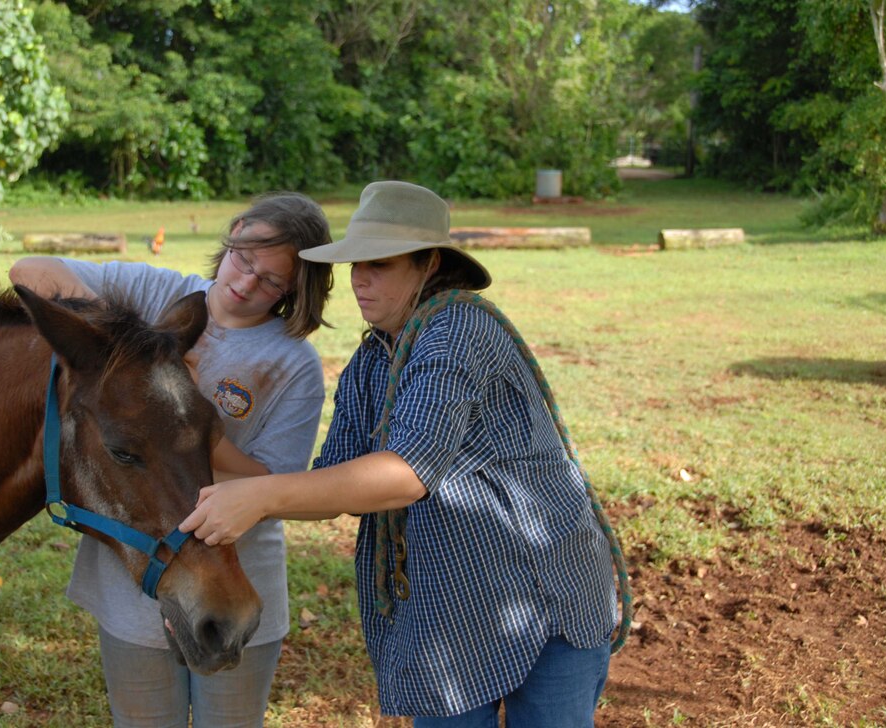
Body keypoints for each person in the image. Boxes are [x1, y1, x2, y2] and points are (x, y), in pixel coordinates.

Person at [179, 181, 622, 727]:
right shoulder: (371, 361)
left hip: (543, 590)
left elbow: (408, 471)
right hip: (447, 605)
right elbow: (331, 490)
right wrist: (240, 481)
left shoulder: (458, 329)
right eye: (354, 265)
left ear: (429, 264)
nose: (360, 279)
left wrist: (260, 494)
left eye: (380, 264)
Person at [8, 192, 334, 728]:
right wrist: (129, 354)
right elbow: (31, 270)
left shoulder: (292, 362)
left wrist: (192, 420)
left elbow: (275, 486)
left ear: (296, 290)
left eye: (273, 281)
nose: (247, 283)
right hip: (132, 589)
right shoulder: (157, 291)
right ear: (234, 232)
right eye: (245, 259)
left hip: (233, 586)